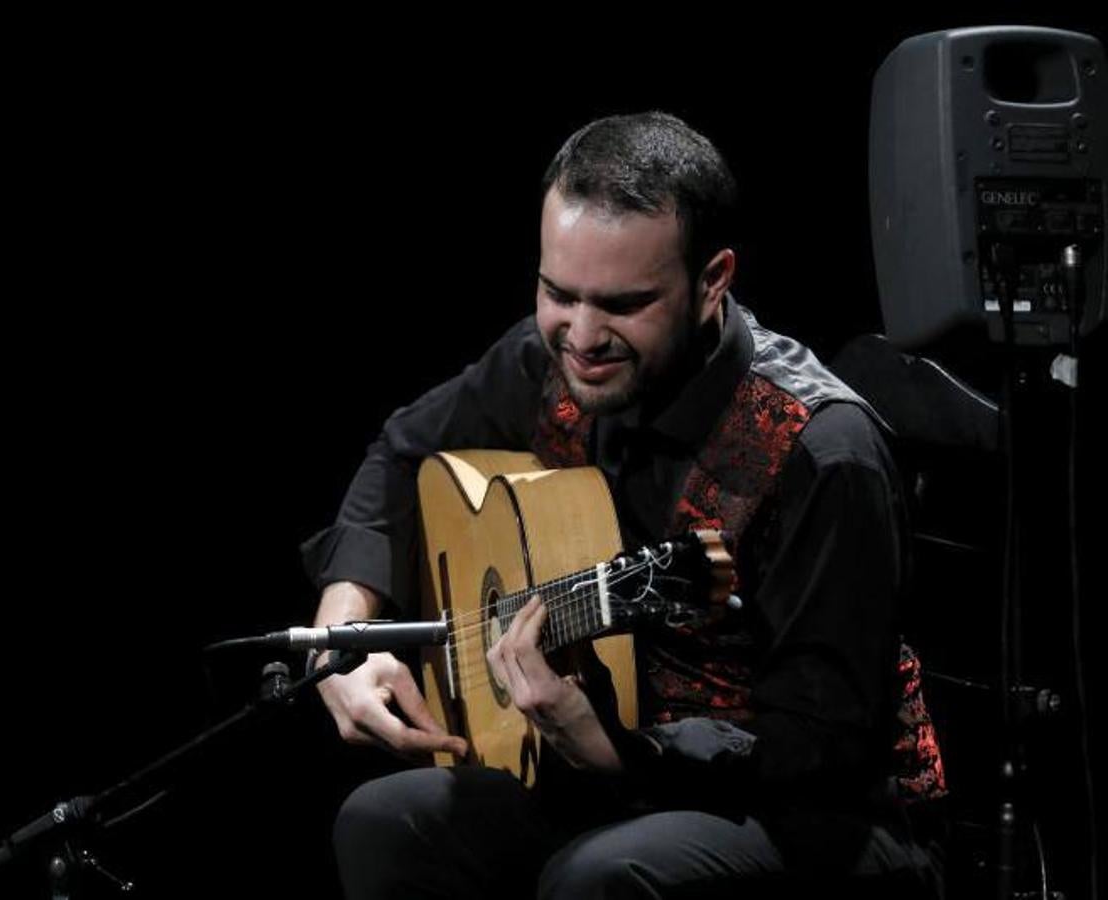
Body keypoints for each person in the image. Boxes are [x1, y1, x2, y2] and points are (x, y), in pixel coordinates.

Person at [300, 110, 944, 898]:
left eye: (623, 304)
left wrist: (624, 755)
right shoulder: (550, 358)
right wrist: (348, 630)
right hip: (614, 777)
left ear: (713, 282)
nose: (580, 335)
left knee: (602, 874)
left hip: (815, 815)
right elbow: (401, 452)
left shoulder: (821, 451)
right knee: (387, 820)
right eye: (556, 293)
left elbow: (823, 739)